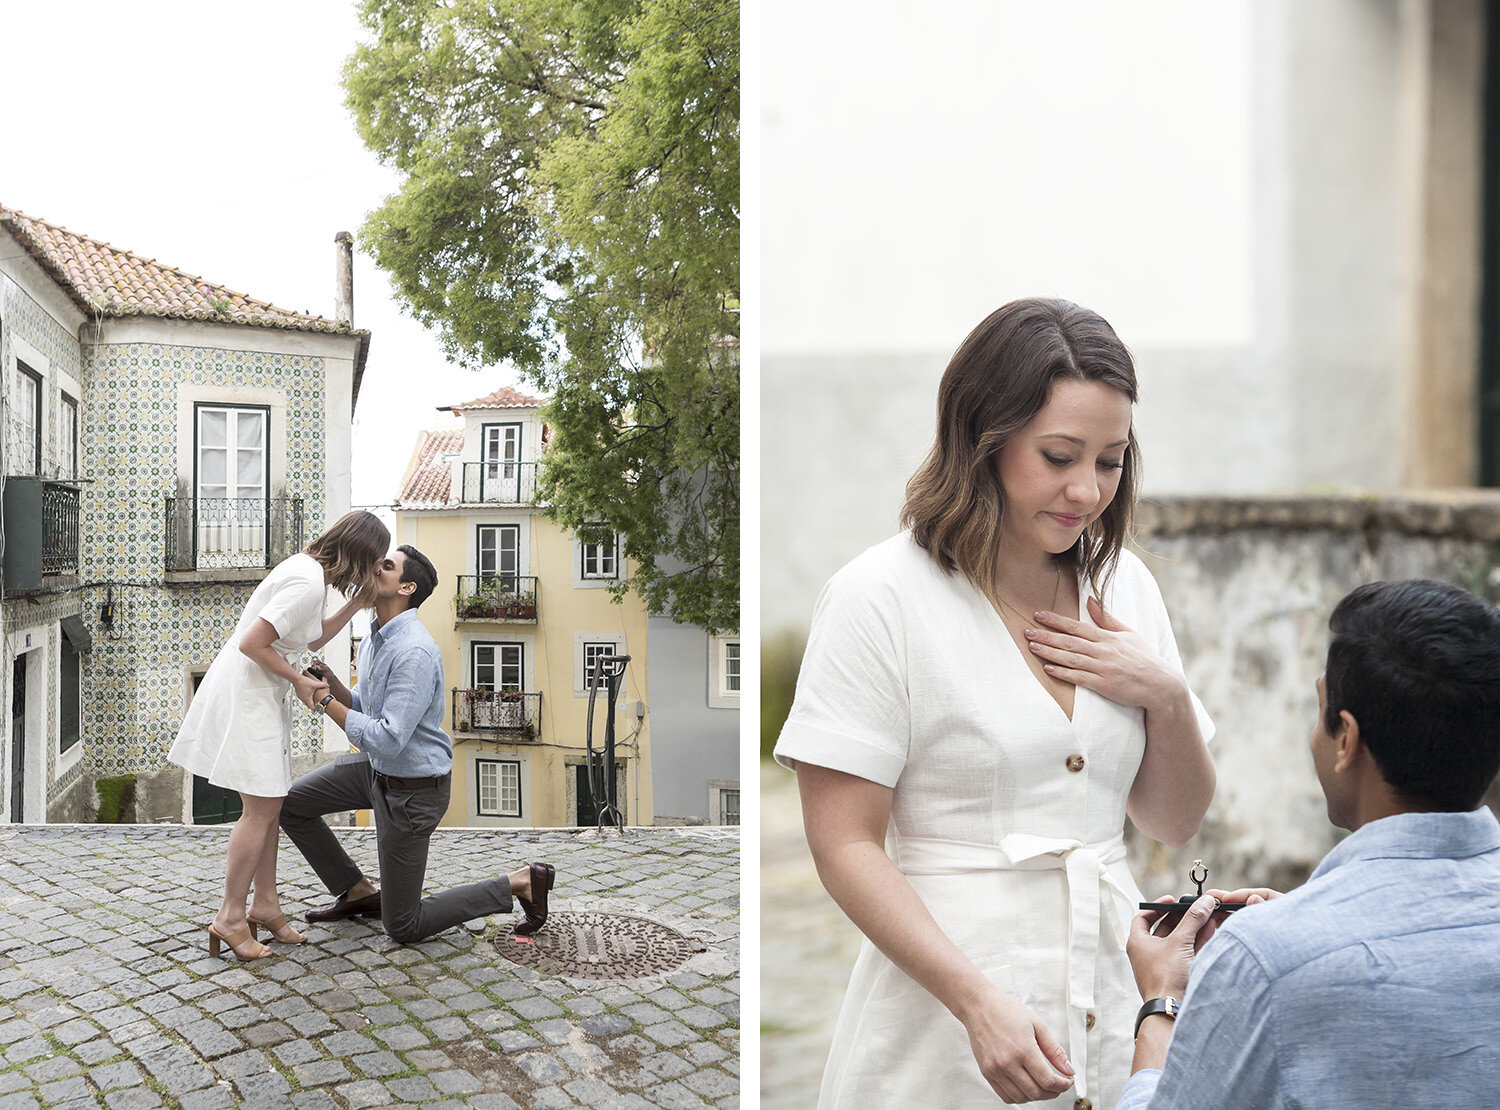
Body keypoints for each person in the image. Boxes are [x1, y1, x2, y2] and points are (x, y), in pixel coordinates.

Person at [774, 298, 1216, 1108]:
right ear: (984, 439)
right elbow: (844, 846)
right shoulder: (880, 598)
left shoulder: (1127, 588)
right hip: (945, 1015)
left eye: (1111, 461)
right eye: (1058, 456)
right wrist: (974, 1002)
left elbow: (1171, 821)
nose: (1087, 490)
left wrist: (1166, 695)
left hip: (1113, 998)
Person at [1120, 578, 1500, 1108]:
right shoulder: (1274, 950)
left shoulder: (1262, 960)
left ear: (1346, 738)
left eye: (1319, 709)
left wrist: (1162, 1001)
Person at [279, 544, 556, 943]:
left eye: (386, 566)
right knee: (293, 805)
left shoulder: (414, 650)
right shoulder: (375, 637)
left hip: (413, 792)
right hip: (376, 771)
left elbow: (389, 737)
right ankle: (358, 892)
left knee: (404, 927)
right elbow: (369, 709)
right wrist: (336, 687)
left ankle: (521, 882)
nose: (374, 567)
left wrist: (323, 702)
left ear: (407, 587)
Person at [169, 509, 390, 960]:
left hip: (262, 696)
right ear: (361, 554)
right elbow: (252, 642)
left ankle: (265, 905)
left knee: (269, 804)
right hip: (250, 695)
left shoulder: (310, 576)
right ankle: (230, 916)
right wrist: (297, 680)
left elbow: (308, 639)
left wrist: (353, 605)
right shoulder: (307, 581)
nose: (375, 571)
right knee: (260, 810)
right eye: (375, 562)